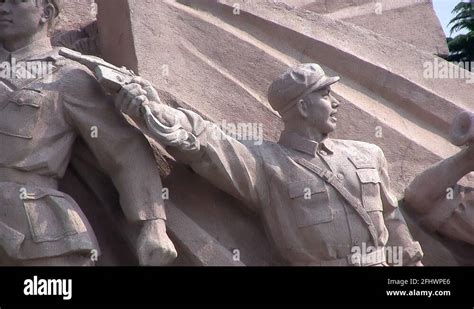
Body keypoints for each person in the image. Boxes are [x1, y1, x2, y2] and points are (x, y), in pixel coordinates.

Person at [115, 63, 423, 266]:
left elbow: (391, 211)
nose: (337, 103)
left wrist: (412, 259)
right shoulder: (266, 164)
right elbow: (206, 143)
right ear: (303, 106)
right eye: (327, 94)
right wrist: (152, 111)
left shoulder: (368, 153)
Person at [0, 0, 176, 266]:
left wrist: (153, 224)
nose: (3, 9)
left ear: (45, 13)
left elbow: (124, 149)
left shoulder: (68, 76)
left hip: (39, 232)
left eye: (15, 2)